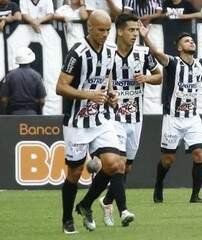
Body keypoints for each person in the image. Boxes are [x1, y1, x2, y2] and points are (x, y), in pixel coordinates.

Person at [77, 13, 162, 227]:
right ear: (120, 31)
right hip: (111, 118)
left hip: (136, 118)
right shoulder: (108, 54)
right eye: (131, 30)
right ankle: (123, 210)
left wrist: (147, 78)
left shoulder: (143, 54)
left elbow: (159, 75)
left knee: (124, 168)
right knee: (118, 165)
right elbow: (99, 80)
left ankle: (96, 203)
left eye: (137, 30)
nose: (135, 34)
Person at [56, 10, 134, 234]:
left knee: (115, 164)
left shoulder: (111, 49)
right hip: (76, 122)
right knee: (75, 173)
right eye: (101, 30)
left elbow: (106, 73)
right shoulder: (76, 53)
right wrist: (89, 94)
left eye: (108, 30)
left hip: (100, 118)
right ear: (89, 27)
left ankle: (86, 204)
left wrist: (111, 93)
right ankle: (67, 219)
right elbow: (60, 87)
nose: (105, 34)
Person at [139, 22, 202, 203]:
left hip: (192, 117)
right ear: (179, 47)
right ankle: (159, 185)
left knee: (199, 154)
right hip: (173, 118)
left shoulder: (201, 64)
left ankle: (195, 195)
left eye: (192, 40)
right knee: (168, 159)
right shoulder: (174, 63)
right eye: (186, 41)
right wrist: (145, 37)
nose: (191, 42)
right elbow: (158, 54)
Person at [0, 47, 46, 115]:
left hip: (14, 114)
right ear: (31, 59)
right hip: (32, 114)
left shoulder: (10, 76)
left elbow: (3, 100)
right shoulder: (36, 76)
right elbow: (42, 101)